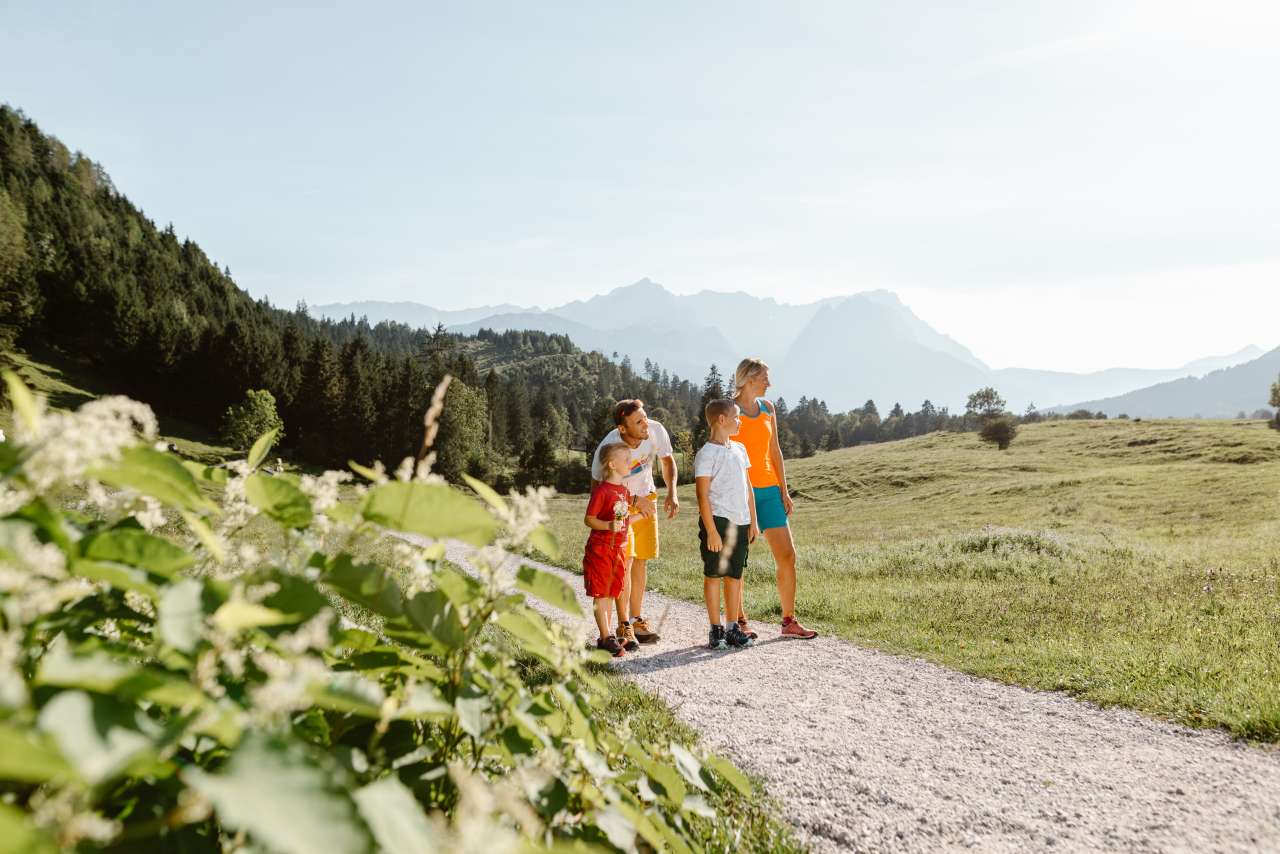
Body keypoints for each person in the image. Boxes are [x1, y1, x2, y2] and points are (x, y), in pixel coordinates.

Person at [732, 358, 818, 639]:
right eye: (765, 378)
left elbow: (775, 451)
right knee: (739, 558)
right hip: (742, 492)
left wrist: (784, 489)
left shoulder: (768, 409)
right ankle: (739, 620)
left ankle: (788, 622)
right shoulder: (731, 412)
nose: (769, 383)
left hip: (769, 490)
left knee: (787, 555)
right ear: (749, 379)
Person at [590, 398, 679, 644]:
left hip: (646, 500)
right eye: (638, 421)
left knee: (641, 560)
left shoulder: (656, 430)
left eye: (645, 417)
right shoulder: (609, 447)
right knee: (624, 565)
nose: (645, 424)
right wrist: (606, 518)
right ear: (622, 428)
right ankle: (622, 625)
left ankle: (636, 619)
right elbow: (599, 486)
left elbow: (667, 460)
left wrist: (671, 492)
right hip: (620, 506)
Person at [694, 399, 757, 650]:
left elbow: (748, 487)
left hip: (741, 521)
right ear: (722, 419)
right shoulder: (706, 454)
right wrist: (710, 530)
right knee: (714, 575)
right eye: (736, 416)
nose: (740, 421)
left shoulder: (740, 449)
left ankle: (732, 628)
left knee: (735, 575)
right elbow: (702, 495)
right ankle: (716, 630)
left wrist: (753, 521)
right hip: (718, 521)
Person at [582, 442, 638, 656]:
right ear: (613, 465)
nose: (630, 462)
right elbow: (589, 519)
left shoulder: (624, 490)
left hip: (618, 550)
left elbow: (623, 522)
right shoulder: (603, 491)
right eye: (626, 459)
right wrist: (607, 525)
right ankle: (606, 637)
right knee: (602, 593)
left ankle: (607, 636)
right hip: (601, 549)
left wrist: (641, 515)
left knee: (612, 591)